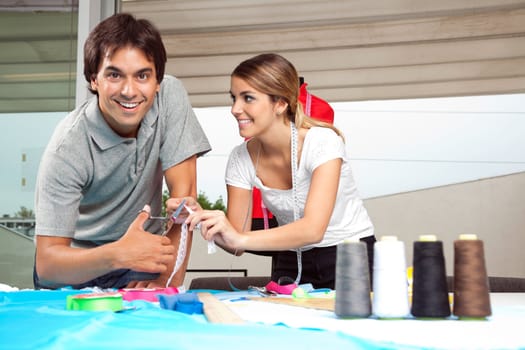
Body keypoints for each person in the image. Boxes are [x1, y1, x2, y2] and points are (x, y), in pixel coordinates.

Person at [33, 13, 211, 290]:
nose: (129, 91)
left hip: (144, 260)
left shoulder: (170, 97)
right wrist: (116, 255)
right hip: (78, 267)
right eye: (114, 75)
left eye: (142, 76)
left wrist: (165, 283)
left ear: (157, 82)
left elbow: (184, 205)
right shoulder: (67, 147)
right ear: (94, 80)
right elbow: (47, 266)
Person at [186, 53, 375, 289]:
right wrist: (204, 219)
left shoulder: (322, 142)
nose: (235, 109)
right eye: (234, 98)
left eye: (248, 98)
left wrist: (239, 237)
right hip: (289, 258)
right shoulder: (240, 157)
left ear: (280, 103)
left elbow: (313, 229)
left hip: (349, 256)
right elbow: (237, 244)